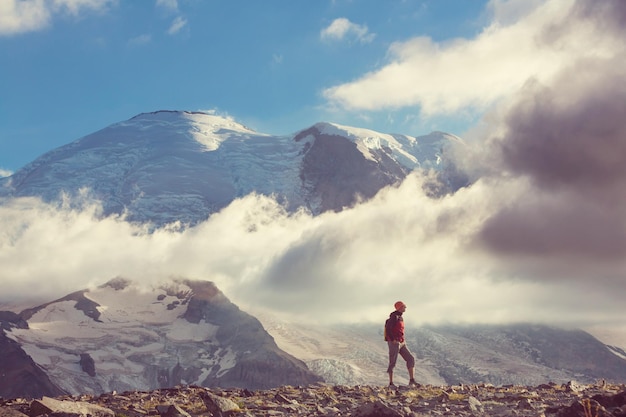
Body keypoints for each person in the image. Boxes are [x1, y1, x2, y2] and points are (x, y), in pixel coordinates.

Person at [386, 301, 417, 387]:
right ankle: (391, 383)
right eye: (404, 306)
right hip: (394, 343)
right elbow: (388, 329)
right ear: (399, 307)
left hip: (401, 342)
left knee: (410, 359)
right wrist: (393, 340)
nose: (405, 307)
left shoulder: (400, 317)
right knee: (393, 362)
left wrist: (402, 341)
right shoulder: (394, 317)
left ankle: (412, 380)